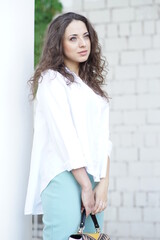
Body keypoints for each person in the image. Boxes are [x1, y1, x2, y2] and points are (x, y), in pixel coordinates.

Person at [25, 12, 112, 240]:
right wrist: (85, 185)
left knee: (92, 237)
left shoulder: (92, 89)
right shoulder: (52, 79)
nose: (82, 43)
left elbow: (104, 141)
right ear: (59, 43)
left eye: (85, 36)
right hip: (64, 173)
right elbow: (65, 135)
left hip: (93, 176)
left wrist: (103, 183)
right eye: (73, 38)